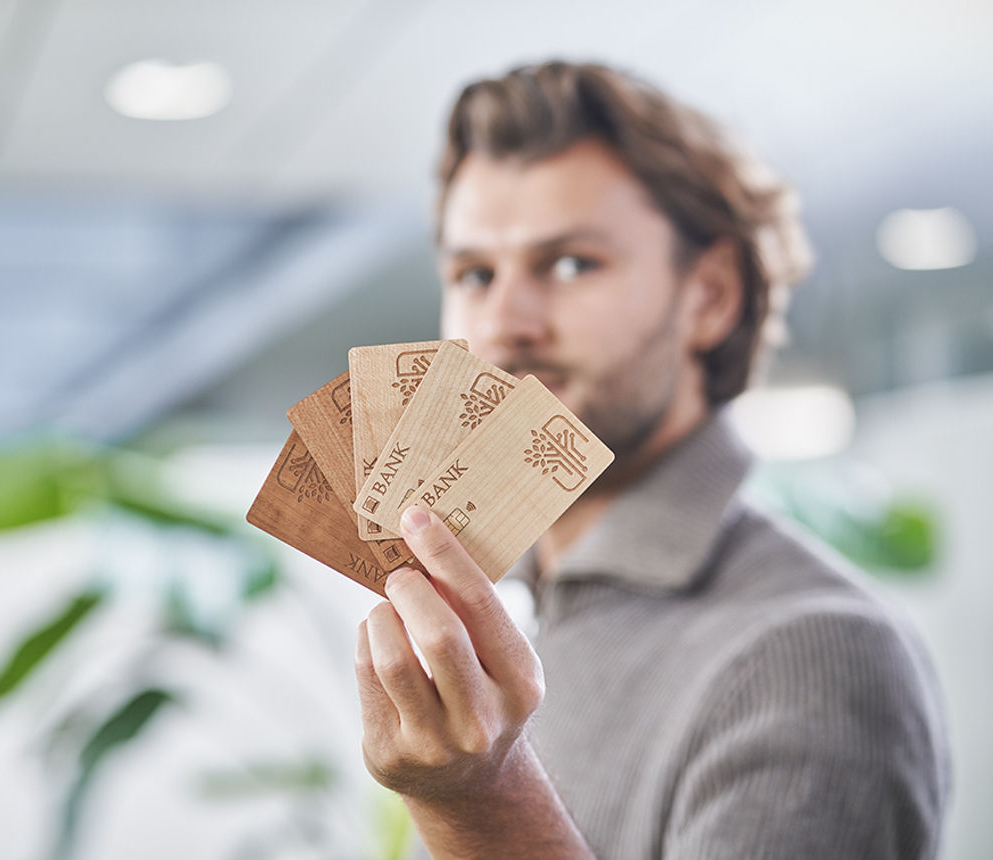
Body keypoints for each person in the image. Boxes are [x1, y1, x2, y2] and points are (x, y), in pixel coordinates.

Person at [354, 61, 951, 859]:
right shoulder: (530, 604)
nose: (501, 327)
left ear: (710, 297)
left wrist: (481, 804)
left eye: (570, 264)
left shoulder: (812, 656)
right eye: (474, 274)